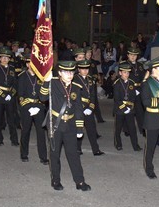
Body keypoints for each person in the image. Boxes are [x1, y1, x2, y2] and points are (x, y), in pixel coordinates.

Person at [39, 60, 91, 191]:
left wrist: (79, 127)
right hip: (56, 123)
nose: (70, 74)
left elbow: (79, 108)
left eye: (71, 72)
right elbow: (43, 97)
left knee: (73, 154)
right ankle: (55, 180)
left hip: (71, 125)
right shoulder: (53, 83)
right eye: (66, 72)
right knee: (54, 154)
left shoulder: (76, 87)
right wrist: (46, 81)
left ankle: (80, 181)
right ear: (60, 73)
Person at [17, 55, 48, 164]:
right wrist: (28, 107)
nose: (33, 65)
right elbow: (20, 95)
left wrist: (40, 106)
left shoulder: (41, 77)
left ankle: (43, 157)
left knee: (41, 133)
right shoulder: (22, 76)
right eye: (30, 63)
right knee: (26, 131)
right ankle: (24, 154)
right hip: (27, 108)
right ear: (26, 64)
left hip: (39, 107)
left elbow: (44, 93)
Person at [75, 59, 104, 156]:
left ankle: (96, 150)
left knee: (91, 129)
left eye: (86, 68)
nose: (85, 71)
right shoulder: (75, 79)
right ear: (79, 69)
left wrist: (91, 108)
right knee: (78, 129)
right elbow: (75, 96)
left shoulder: (90, 79)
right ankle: (77, 149)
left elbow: (93, 95)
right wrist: (82, 108)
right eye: (83, 69)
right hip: (79, 108)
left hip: (88, 108)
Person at [0, 46, 19, 146]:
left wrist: (11, 94)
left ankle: (14, 139)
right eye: (2, 57)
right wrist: (3, 95)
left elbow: (15, 83)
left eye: (7, 57)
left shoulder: (12, 68)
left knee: (11, 119)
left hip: (10, 97)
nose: (4, 59)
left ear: (10, 58)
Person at [113, 62, 142, 152]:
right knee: (118, 128)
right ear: (120, 73)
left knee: (132, 128)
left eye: (128, 72)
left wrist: (129, 107)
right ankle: (118, 144)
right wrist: (124, 108)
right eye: (124, 72)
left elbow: (133, 97)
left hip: (130, 109)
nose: (127, 74)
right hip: (120, 110)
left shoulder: (131, 83)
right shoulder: (117, 83)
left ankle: (135, 145)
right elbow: (117, 99)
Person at [125, 46, 147, 135]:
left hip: (139, 90)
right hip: (129, 90)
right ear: (128, 55)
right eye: (131, 55)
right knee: (128, 110)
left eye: (135, 55)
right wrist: (132, 89)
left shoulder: (140, 65)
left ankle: (142, 129)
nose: (133, 56)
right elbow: (124, 78)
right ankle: (127, 129)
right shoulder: (124, 65)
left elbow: (143, 78)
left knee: (140, 111)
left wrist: (140, 88)